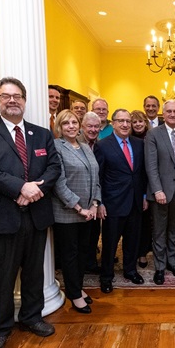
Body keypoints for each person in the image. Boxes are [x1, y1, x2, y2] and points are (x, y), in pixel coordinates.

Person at [0, 77, 61, 348]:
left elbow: (54, 167)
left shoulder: (41, 134)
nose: (12, 100)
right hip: (1, 218)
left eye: (17, 96)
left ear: (24, 99)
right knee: (3, 277)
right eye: (5, 96)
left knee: (34, 272)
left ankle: (32, 317)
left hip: (36, 216)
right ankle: (1, 328)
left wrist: (33, 191)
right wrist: (20, 187)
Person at [52, 109, 100, 314]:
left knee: (83, 253)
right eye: (66, 123)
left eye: (74, 122)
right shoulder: (56, 147)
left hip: (89, 212)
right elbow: (59, 183)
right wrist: (79, 208)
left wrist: (95, 204)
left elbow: (96, 178)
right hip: (68, 213)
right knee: (70, 256)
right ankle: (74, 295)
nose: (71, 126)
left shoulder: (85, 146)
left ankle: (78, 287)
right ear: (59, 127)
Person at [95, 109, 148, 293]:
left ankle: (130, 271)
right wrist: (100, 203)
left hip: (135, 201)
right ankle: (106, 276)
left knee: (132, 240)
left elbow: (142, 173)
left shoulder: (139, 144)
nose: (125, 125)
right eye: (121, 121)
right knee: (110, 243)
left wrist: (144, 196)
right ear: (113, 124)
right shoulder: (102, 145)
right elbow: (99, 177)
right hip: (113, 203)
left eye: (128, 121)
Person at [145, 100, 175, 285]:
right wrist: (157, 189)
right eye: (169, 111)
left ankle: (172, 262)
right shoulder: (153, 134)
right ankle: (159, 267)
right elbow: (151, 165)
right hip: (161, 190)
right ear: (163, 114)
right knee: (159, 230)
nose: (172, 114)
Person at [78, 111, 103, 274]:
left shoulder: (100, 144)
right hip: (78, 198)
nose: (93, 130)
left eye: (96, 126)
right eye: (90, 126)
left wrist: (97, 202)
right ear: (82, 127)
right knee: (78, 237)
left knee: (94, 232)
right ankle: (78, 268)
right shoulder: (74, 143)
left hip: (95, 197)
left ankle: (90, 263)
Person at [130, 110, 153, 268]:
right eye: (134, 122)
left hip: (147, 185)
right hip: (131, 187)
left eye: (140, 121)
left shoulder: (151, 138)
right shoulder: (127, 139)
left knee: (146, 223)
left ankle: (143, 253)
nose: (138, 124)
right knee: (132, 224)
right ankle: (132, 252)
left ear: (146, 123)